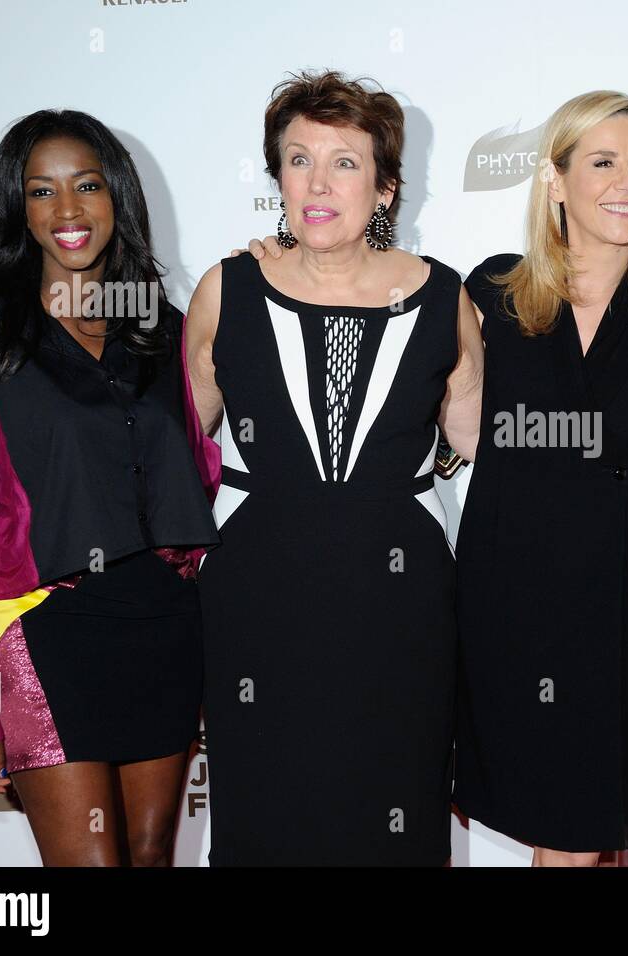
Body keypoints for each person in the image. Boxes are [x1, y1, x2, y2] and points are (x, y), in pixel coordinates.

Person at [0, 109, 220, 865]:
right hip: (47, 633)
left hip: (163, 628)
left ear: (119, 196)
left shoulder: (163, 329)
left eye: (87, 185)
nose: (69, 211)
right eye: (42, 192)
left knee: (149, 859)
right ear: (17, 206)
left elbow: (197, 471)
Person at [184, 69, 483, 865]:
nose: (318, 183)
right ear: (276, 174)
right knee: (264, 815)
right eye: (298, 158)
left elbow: (488, 442)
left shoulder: (443, 295)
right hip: (256, 600)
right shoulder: (227, 289)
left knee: (396, 809)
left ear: (385, 188)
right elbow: (180, 448)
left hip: (402, 605)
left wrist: (607, 473)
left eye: (345, 162)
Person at [454, 91, 628, 866]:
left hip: (610, 588)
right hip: (513, 588)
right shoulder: (492, 291)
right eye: (601, 162)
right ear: (554, 180)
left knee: (598, 841)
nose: (626, 180)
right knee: (572, 836)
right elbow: (456, 430)